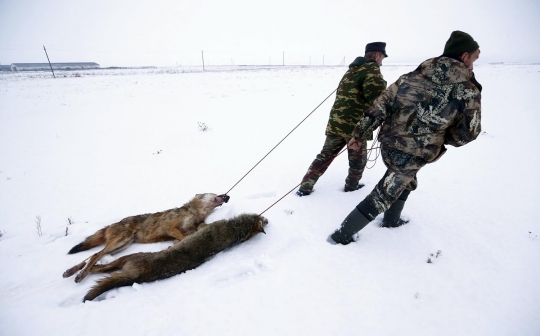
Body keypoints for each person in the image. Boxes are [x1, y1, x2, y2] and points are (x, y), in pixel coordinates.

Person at [328, 31, 482, 245]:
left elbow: (378, 107)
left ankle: (392, 221)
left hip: (389, 146)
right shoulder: (467, 91)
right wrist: (441, 136)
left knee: (407, 180)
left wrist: (359, 134)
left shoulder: (409, 77)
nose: (473, 65)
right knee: (383, 194)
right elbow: (467, 134)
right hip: (415, 153)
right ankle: (340, 237)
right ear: (464, 56)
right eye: (474, 59)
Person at [296, 42, 388, 196]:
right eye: (382, 58)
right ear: (377, 55)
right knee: (358, 160)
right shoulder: (371, 69)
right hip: (354, 126)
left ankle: (305, 187)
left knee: (325, 156)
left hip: (336, 122)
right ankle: (351, 187)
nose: (381, 63)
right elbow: (378, 99)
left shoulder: (352, 70)